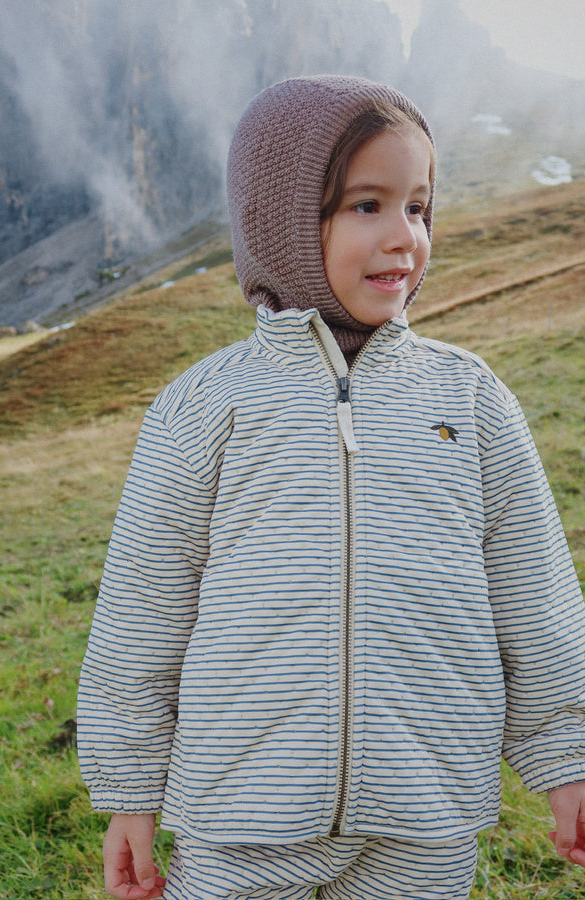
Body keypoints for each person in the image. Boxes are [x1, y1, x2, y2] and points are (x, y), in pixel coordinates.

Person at [77, 75, 585, 900]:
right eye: (366, 206)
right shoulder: (204, 405)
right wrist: (130, 789)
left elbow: (536, 594)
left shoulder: (471, 398)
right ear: (280, 220)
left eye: (418, 207)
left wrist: (568, 756)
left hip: (425, 815)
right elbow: (143, 611)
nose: (405, 237)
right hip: (241, 815)